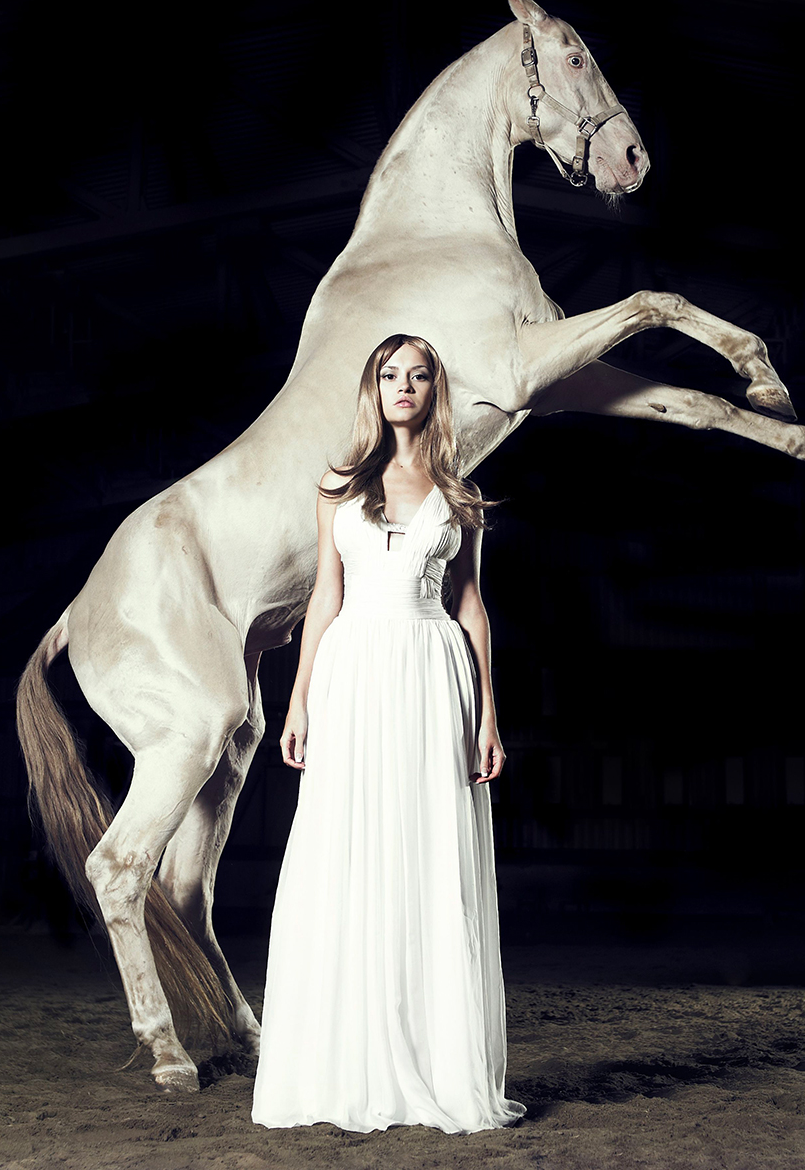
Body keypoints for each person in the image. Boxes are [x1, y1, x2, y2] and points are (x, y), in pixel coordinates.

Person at [250, 333, 527, 1134]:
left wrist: (488, 713)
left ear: (435, 390)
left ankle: (432, 1067)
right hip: (353, 674)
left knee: (427, 851)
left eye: (419, 375)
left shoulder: (460, 492)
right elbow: (324, 599)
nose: (403, 386)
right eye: (389, 374)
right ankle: (345, 1065)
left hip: (432, 673)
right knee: (347, 848)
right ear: (373, 388)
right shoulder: (338, 485)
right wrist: (299, 700)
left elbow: (471, 606)